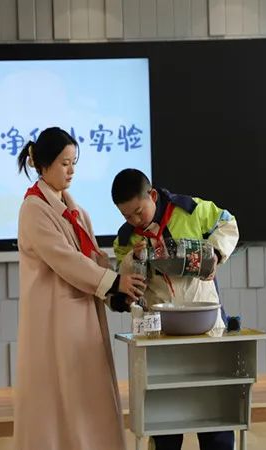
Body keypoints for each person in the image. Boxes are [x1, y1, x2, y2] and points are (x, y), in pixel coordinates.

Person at [13, 128, 146, 450]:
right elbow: (66, 260)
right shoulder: (33, 209)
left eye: (74, 162)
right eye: (64, 163)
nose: (71, 170)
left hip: (83, 316)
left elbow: (93, 259)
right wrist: (114, 282)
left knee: (87, 394)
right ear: (42, 165)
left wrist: (122, 280)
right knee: (57, 398)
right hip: (54, 320)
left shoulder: (77, 212)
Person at [111, 168, 239, 450]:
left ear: (152, 196)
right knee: (164, 417)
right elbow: (123, 282)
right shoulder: (125, 238)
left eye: (138, 212)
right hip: (162, 336)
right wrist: (132, 262)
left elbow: (228, 222)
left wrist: (216, 254)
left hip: (206, 326)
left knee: (213, 412)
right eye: (127, 216)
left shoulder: (190, 209)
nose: (135, 221)